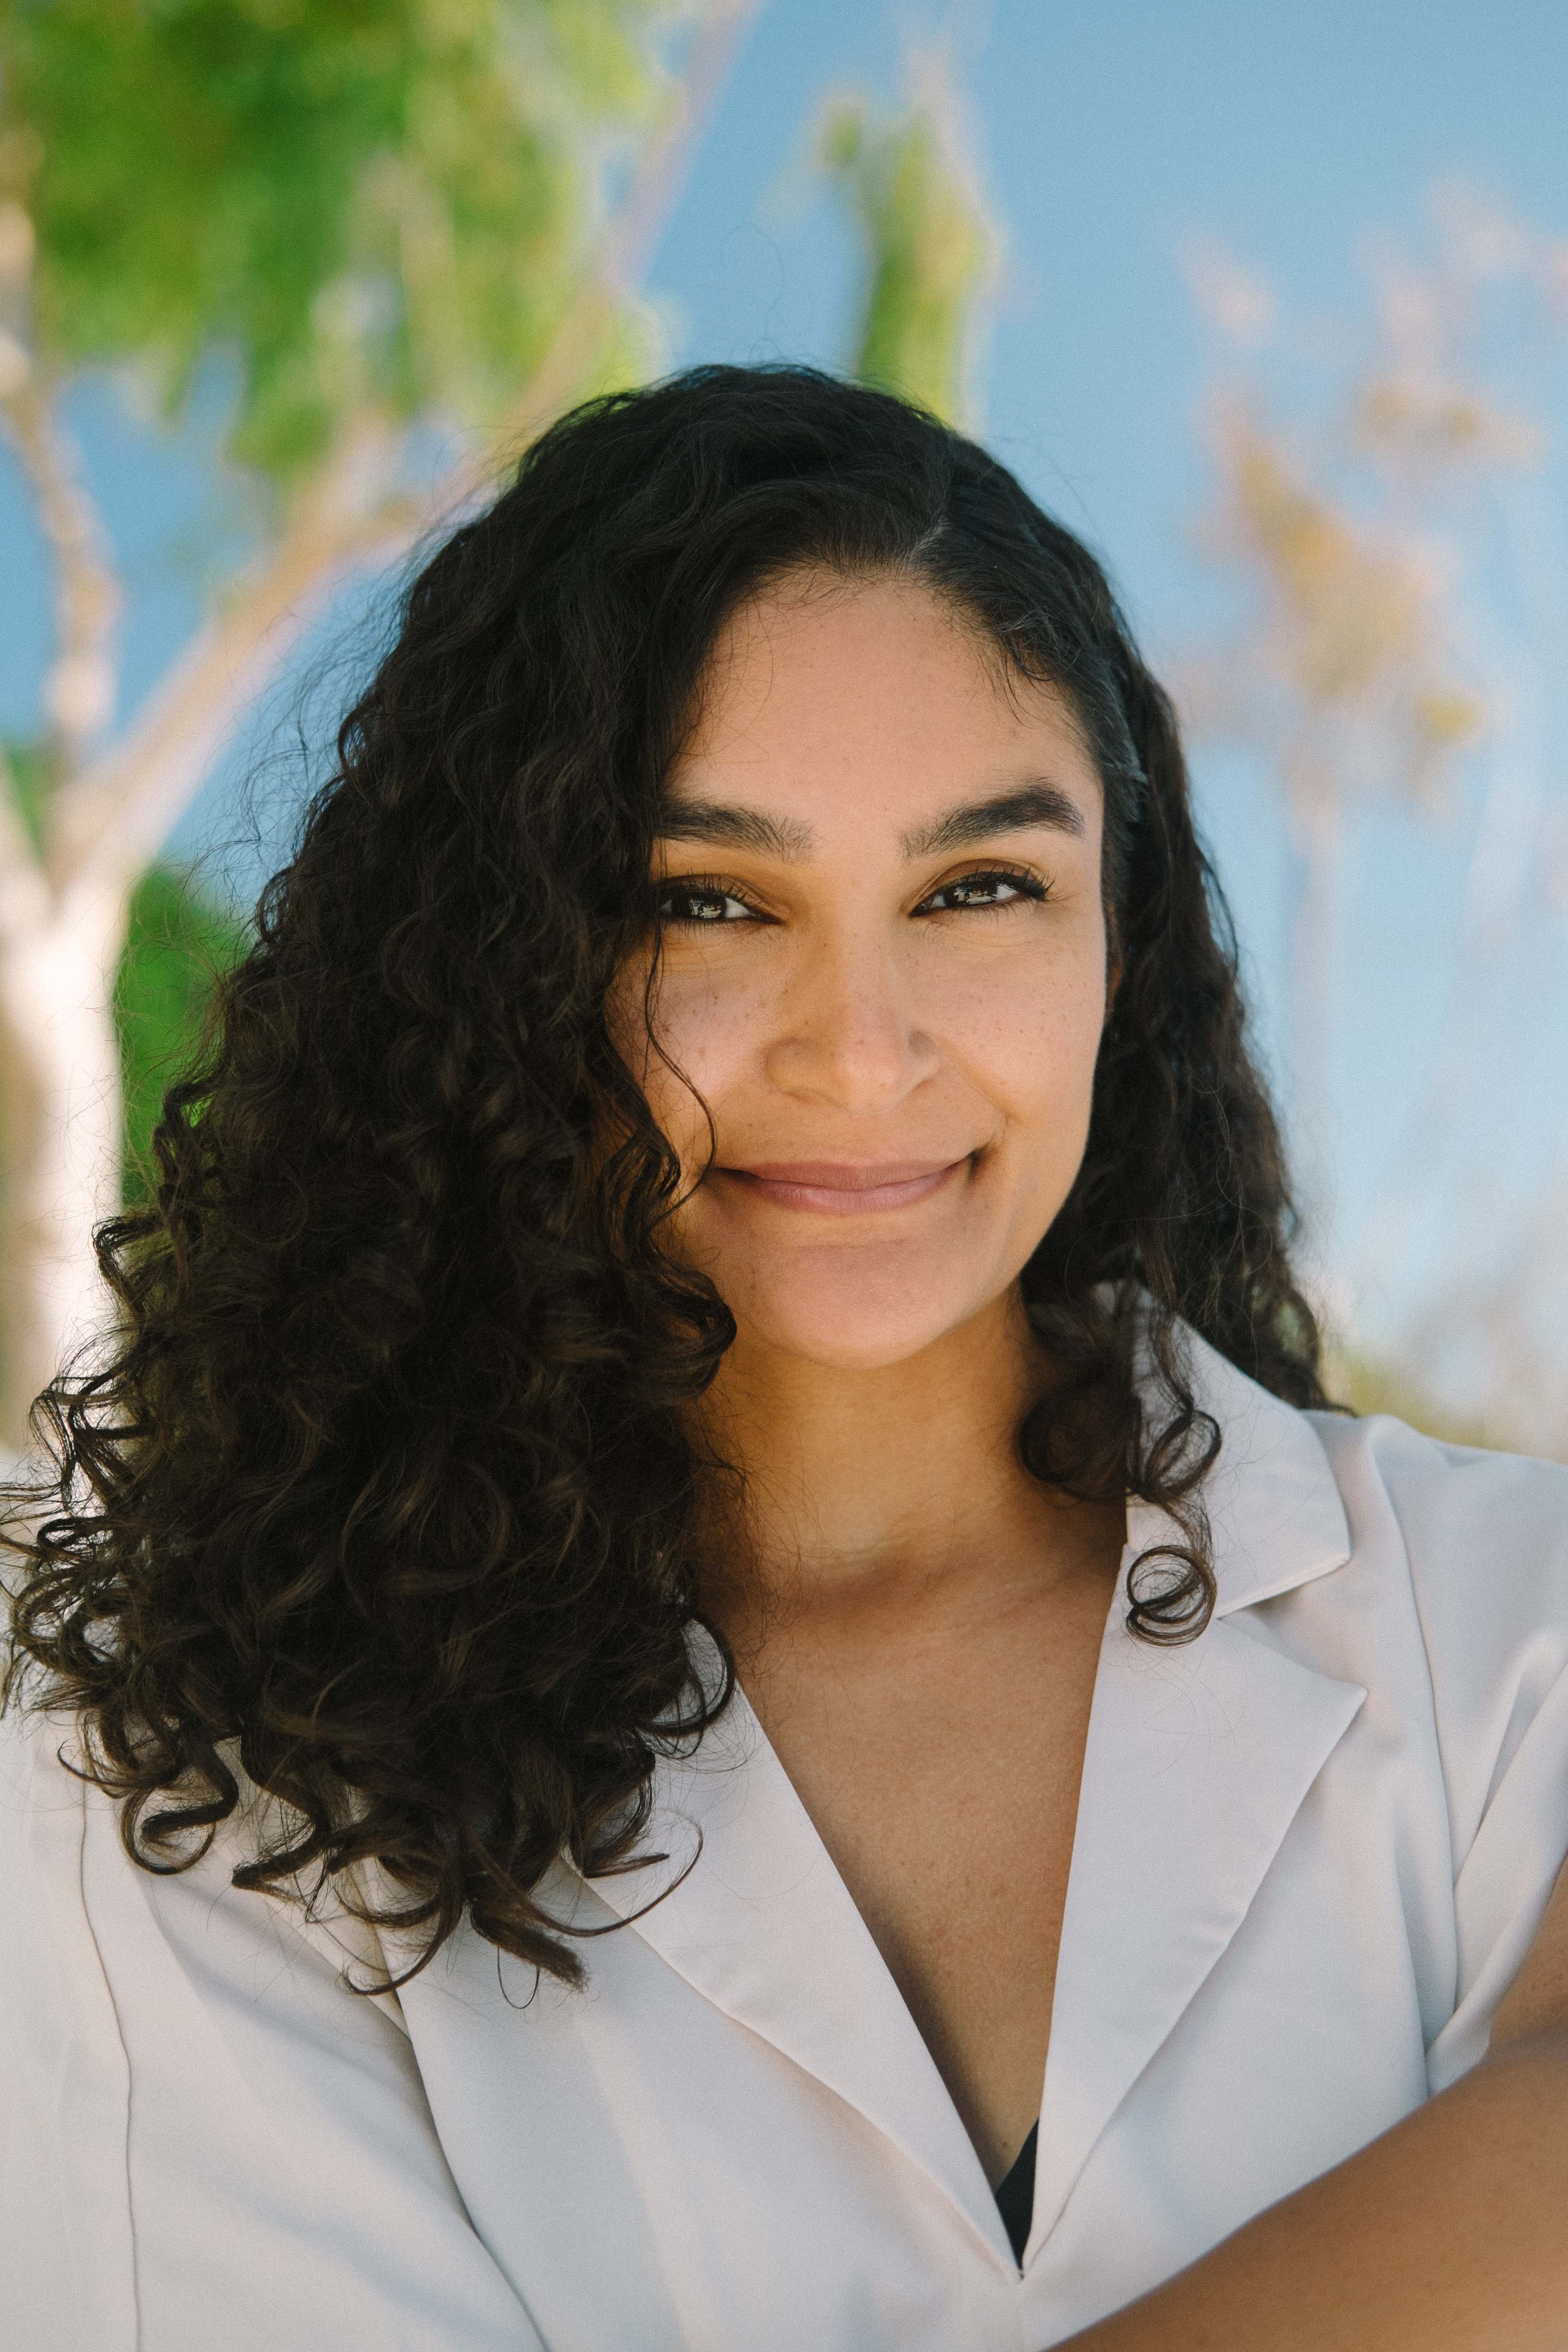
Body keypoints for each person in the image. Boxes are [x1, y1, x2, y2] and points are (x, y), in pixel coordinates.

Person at [3, 363, 1567, 2352]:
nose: (862, 1049)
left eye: (980, 886)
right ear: (504, 966)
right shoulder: (182, 1750)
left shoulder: (1517, 1620)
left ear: (1126, 941)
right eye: (708, 900)